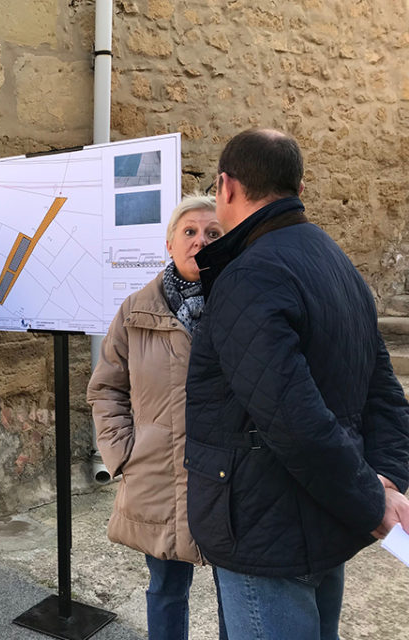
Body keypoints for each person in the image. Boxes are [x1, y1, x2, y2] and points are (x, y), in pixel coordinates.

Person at [185, 128, 409, 640]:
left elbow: (294, 417)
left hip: (268, 533)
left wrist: (374, 500)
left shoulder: (249, 275)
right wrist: (384, 482)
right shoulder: (338, 264)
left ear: (226, 186)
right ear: (299, 189)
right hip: (320, 518)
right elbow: (385, 393)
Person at [87, 194, 227, 640]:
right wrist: (122, 454)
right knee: (166, 588)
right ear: (169, 243)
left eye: (212, 233)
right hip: (158, 478)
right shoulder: (136, 310)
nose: (199, 242)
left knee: (238, 595)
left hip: (231, 479)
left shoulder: (244, 305)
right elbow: (106, 388)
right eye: (189, 232)